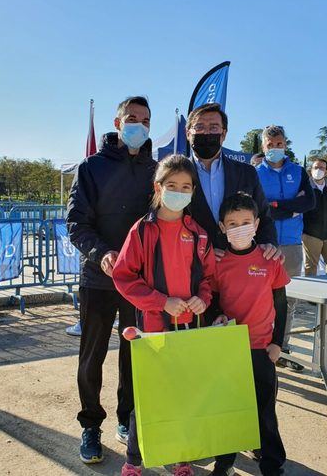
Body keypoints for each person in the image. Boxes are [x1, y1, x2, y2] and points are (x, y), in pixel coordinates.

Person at [67, 96, 157, 464]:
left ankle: (127, 419)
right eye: (132, 118)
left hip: (140, 284)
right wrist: (102, 253)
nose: (139, 124)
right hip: (98, 279)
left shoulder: (157, 169)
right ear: (117, 123)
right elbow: (77, 223)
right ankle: (91, 424)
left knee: (134, 357)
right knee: (92, 357)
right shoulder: (91, 168)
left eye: (145, 120)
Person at [112, 154, 216, 476]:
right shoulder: (142, 231)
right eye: (172, 185)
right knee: (148, 396)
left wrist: (202, 298)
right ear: (158, 187)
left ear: (193, 191)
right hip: (153, 326)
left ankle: (180, 457)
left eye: (186, 186)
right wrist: (160, 301)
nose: (179, 191)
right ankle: (134, 460)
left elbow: (209, 279)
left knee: (183, 393)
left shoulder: (198, 233)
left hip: (188, 329)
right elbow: (123, 276)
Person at [211, 192, 289, 476]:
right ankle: (225, 462)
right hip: (229, 349)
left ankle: (272, 464)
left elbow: (281, 303)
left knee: (265, 411)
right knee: (229, 408)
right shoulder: (217, 262)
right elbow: (213, 301)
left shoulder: (270, 259)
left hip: (262, 348)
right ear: (222, 227)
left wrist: (278, 343)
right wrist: (214, 316)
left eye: (245, 221)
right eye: (232, 223)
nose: (239, 228)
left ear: (256, 223)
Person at [185, 103, 281, 266]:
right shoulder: (176, 174)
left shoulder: (247, 173)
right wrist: (200, 251)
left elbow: (264, 216)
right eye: (199, 127)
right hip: (192, 269)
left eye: (214, 127)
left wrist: (269, 243)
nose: (207, 132)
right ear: (188, 133)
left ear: (224, 134)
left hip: (239, 268)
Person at [256, 125, 315, 372]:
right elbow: (259, 207)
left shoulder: (298, 171)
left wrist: (279, 205)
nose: (275, 149)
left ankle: (282, 346)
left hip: (291, 244)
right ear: (263, 147)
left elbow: (309, 201)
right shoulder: (255, 173)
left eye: (279, 144)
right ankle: (259, 346)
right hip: (262, 244)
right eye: (270, 145)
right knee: (261, 298)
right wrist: (290, 207)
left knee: (287, 300)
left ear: (285, 145)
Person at [302, 158, 327, 275]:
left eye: (322, 168)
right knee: (310, 267)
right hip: (311, 235)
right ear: (311, 170)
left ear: (326, 172)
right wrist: (303, 232)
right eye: (316, 167)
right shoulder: (304, 188)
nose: (318, 170)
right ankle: (312, 291)